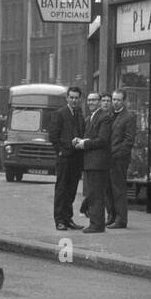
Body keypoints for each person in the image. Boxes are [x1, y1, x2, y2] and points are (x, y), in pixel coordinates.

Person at [47, 86, 86, 231]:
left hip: (76, 158)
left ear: (79, 99)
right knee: (62, 189)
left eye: (77, 98)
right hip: (64, 158)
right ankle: (59, 220)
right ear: (67, 98)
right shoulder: (59, 114)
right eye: (72, 97)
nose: (74, 100)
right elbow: (53, 136)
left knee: (72, 189)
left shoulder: (79, 115)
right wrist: (61, 151)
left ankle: (68, 218)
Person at [76, 91, 113, 233]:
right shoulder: (91, 117)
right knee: (93, 193)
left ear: (99, 102)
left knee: (96, 194)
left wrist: (85, 143)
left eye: (94, 100)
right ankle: (95, 222)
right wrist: (79, 140)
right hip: (91, 162)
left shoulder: (104, 118)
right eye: (89, 100)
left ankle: (97, 224)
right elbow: (89, 136)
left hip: (98, 163)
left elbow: (102, 140)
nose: (91, 102)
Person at [107, 89, 135, 228]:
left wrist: (117, 154)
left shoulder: (128, 116)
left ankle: (121, 219)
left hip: (119, 159)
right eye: (113, 99)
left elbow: (129, 140)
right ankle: (111, 216)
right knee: (109, 189)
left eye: (118, 100)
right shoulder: (110, 114)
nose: (115, 102)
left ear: (124, 101)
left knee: (118, 189)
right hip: (108, 158)